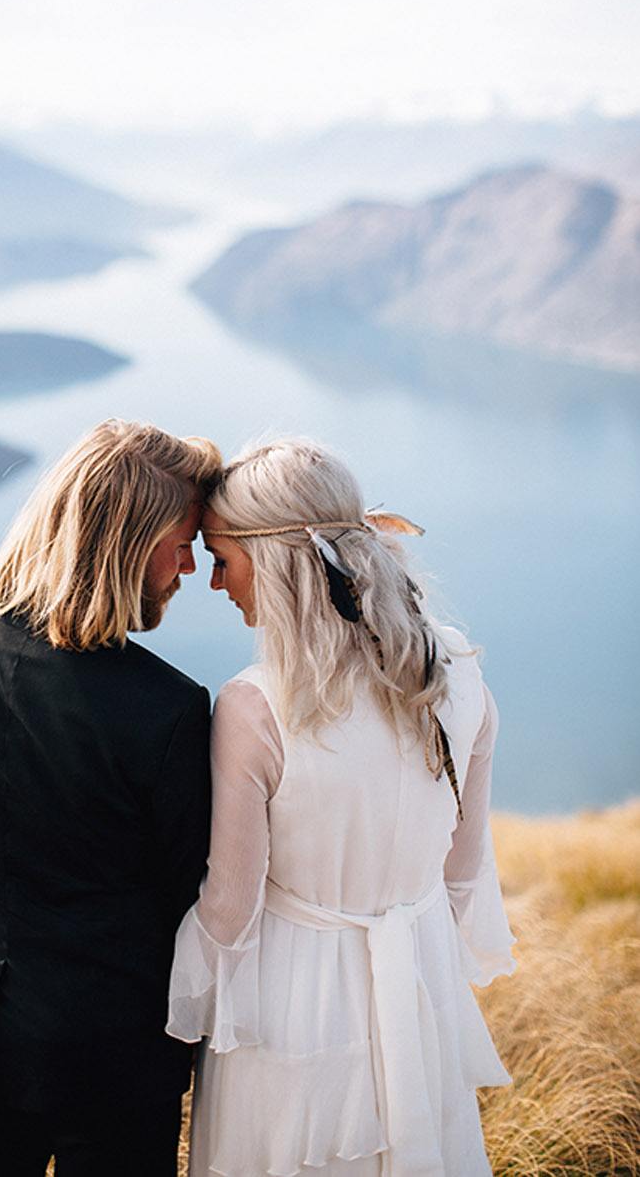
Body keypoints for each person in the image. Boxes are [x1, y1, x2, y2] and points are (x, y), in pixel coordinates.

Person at [0, 419, 221, 1177]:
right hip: (117, 1058)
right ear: (127, 542)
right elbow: (189, 894)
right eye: (183, 541)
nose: (188, 567)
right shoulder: (166, 709)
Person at [168, 439, 515, 1177]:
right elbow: (464, 870)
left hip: (295, 994)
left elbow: (230, 910)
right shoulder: (456, 670)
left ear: (279, 562)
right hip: (418, 977)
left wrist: (171, 987)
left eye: (224, 559)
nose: (215, 582)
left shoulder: (254, 705)